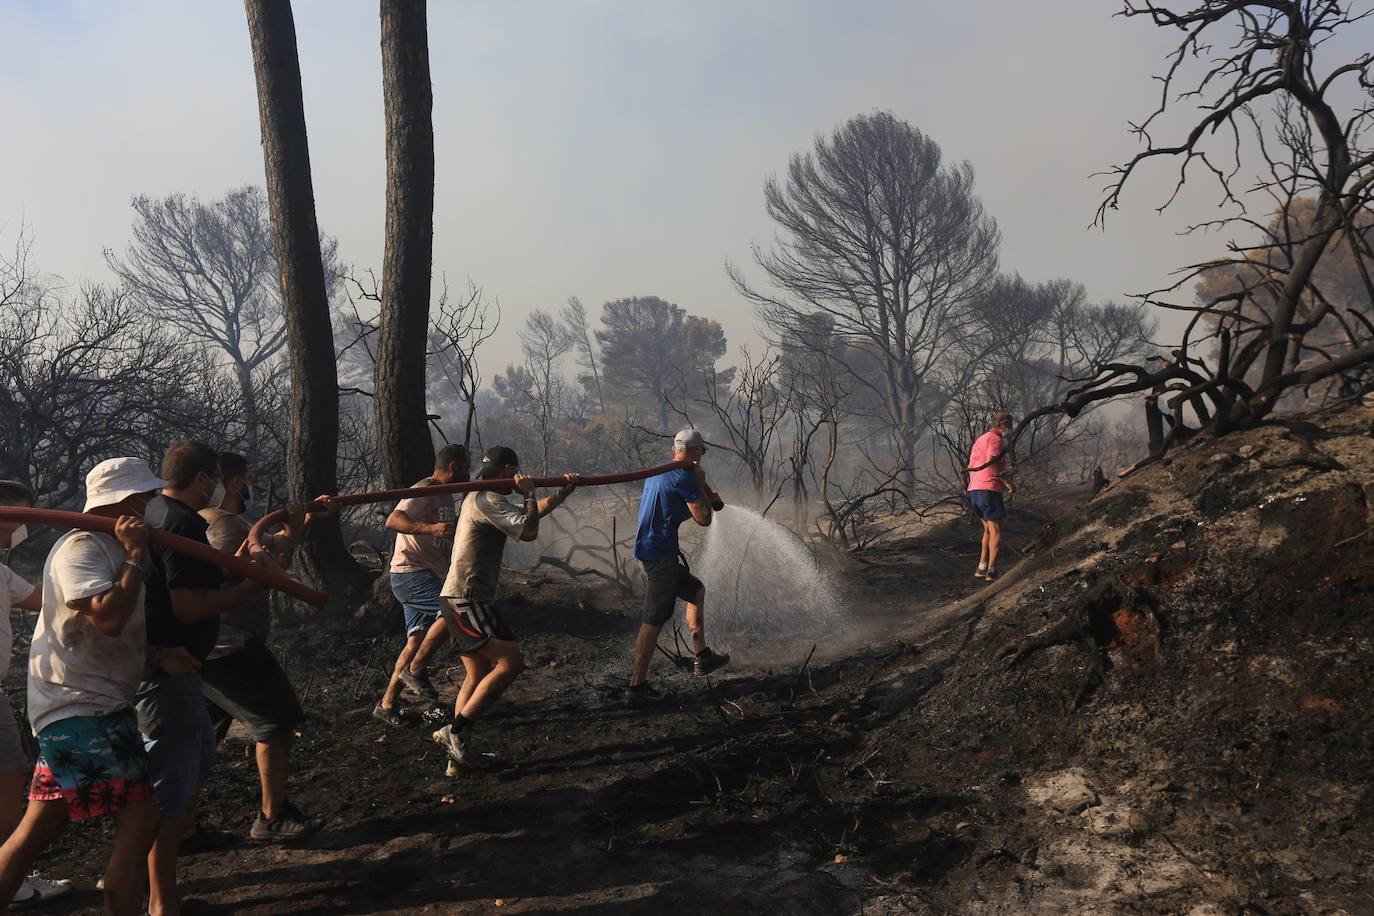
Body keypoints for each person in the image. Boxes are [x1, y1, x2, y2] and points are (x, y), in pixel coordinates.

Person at [0, 458, 166, 915]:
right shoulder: (82, 547)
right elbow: (108, 618)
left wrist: (157, 657)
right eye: (146, 497)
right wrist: (135, 556)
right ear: (122, 502)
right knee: (139, 820)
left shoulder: (110, 547)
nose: (153, 505)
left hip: (94, 706)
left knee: (43, 828)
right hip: (80, 708)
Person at [137, 442, 263, 916]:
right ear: (204, 479)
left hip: (180, 669)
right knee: (169, 786)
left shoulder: (165, 517)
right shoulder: (183, 525)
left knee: (194, 762)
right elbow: (189, 607)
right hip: (167, 675)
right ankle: (158, 900)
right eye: (216, 478)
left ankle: (159, 881)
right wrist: (244, 590)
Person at [198, 452, 325, 840]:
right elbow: (269, 571)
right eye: (248, 479)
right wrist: (287, 542)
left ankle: (179, 826)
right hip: (228, 645)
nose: (250, 487)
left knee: (199, 738)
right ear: (238, 482)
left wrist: (302, 520)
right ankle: (272, 817)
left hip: (208, 646)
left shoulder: (221, 522)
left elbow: (273, 548)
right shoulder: (223, 526)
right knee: (276, 720)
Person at [431, 447, 579, 770]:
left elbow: (527, 516)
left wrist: (560, 494)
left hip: (461, 597)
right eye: (515, 472)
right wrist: (529, 493)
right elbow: (529, 531)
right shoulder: (487, 499)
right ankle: (455, 732)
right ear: (509, 470)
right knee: (510, 662)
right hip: (467, 598)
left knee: (477, 673)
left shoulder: (483, 497)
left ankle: (458, 755)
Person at [0, 482, 73, 909]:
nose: (23, 528)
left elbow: (45, 601)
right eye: (20, 517)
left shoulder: (2, 573)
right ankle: (12, 885)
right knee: (8, 784)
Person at [626, 429, 729, 707]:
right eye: (702, 452)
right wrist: (701, 484)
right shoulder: (684, 476)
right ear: (695, 452)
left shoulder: (659, 471)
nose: (702, 456)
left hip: (652, 550)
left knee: (696, 591)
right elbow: (704, 519)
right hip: (659, 555)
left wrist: (699, 486)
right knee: (654, 618)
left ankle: (702, 656)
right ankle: (637, 686)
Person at [374, 444, 470, 727]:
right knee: (452, 610)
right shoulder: (425, 487)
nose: (469, 473)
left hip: (426, 573)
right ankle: (416, 670)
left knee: (415, 641)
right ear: (453, 467)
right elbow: (394, 520)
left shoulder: (445, 494)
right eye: (466, 468)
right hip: (412, 573)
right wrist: (429, 529)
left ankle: (386, 704)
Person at [967, 411, 1015, 582]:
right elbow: (991, 462)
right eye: (1008, 425)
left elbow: (971, 465)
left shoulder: (980, 440)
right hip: (988, 488)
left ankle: (981, 567)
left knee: (987, 529)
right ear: (1001, 424)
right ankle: (992, 571)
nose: (1010, 428)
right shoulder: (995, 440)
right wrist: (1006, 482)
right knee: (996, 530)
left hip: (974, 489)